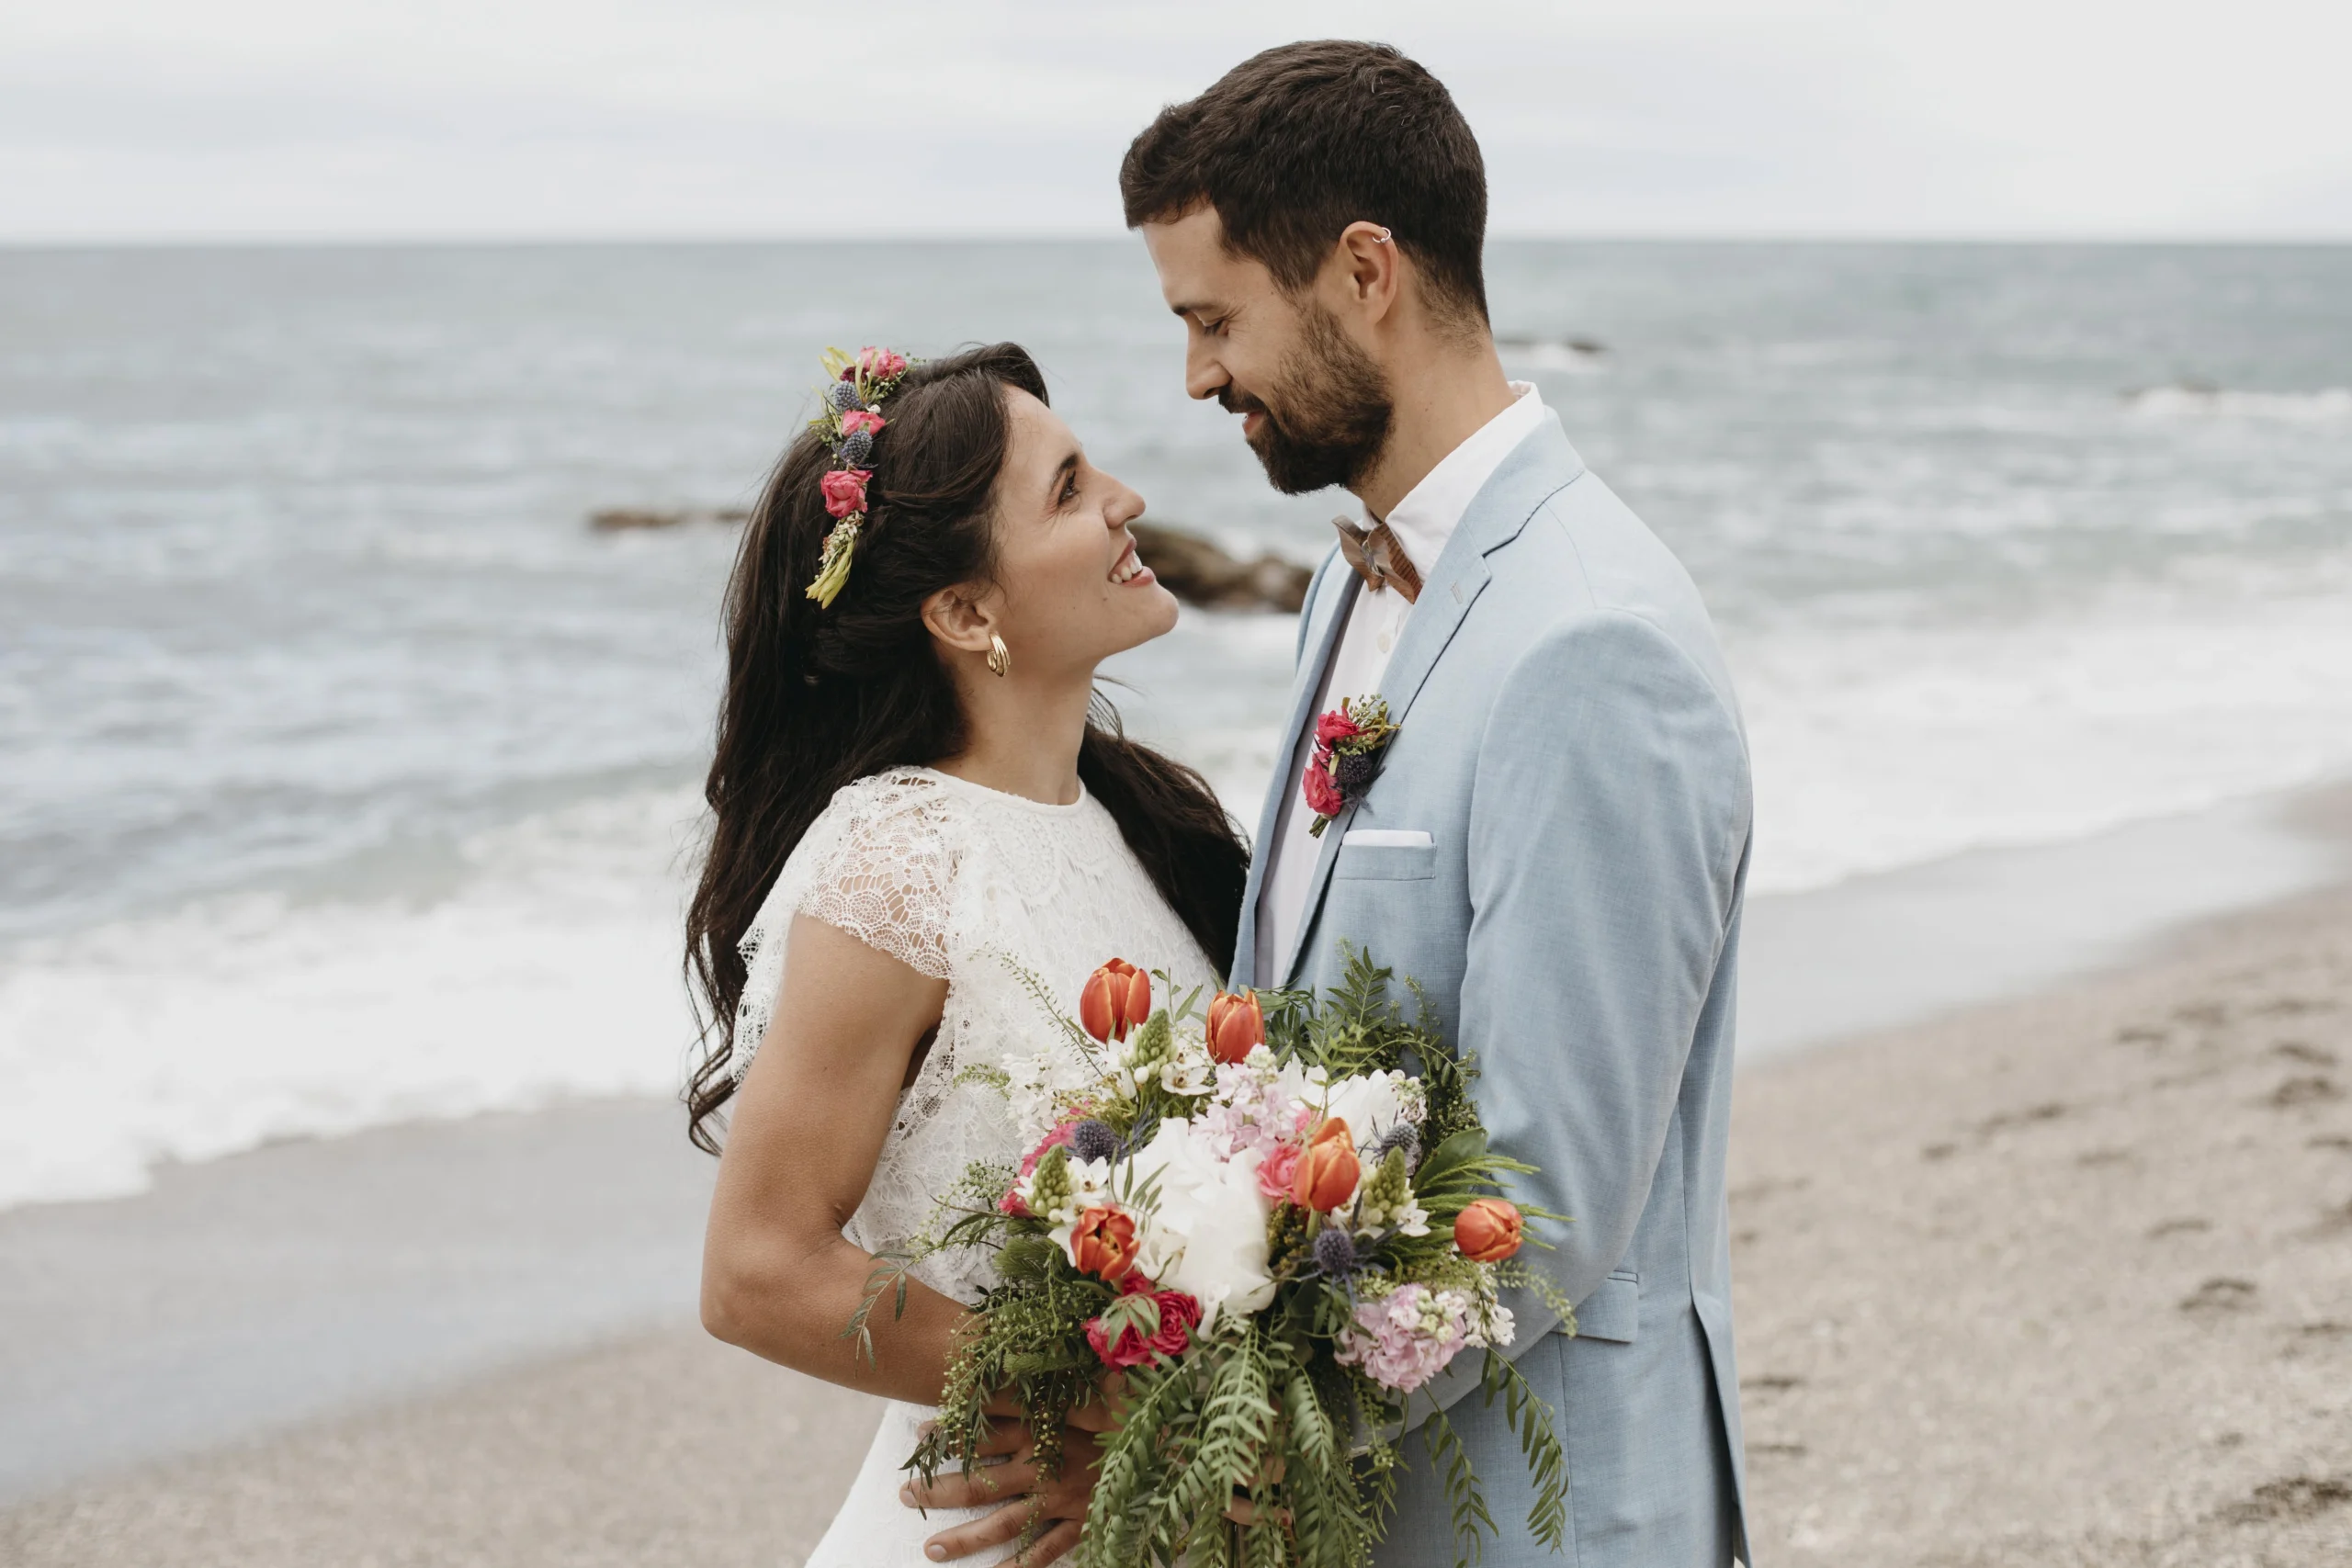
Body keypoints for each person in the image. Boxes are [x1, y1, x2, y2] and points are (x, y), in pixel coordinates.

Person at [1124, 41, 1756, 1566]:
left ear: (1363, 274)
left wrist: (1236, 1432)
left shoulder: (1591, 639)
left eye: (1216, 320)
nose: (1199, 377)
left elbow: (1546, 1190)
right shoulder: (1350, 588)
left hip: (1548, 1513)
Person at [685, 343, 1246, 1567]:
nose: (1128, 500)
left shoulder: (1146, 818)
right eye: (1069, 489)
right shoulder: (898, 860)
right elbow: (757, 1270)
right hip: (996, 1523)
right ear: (966, 613)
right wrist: (1109, 1408)